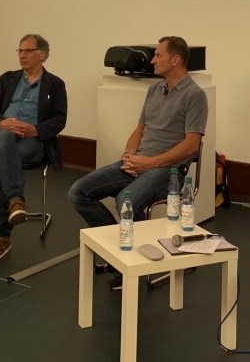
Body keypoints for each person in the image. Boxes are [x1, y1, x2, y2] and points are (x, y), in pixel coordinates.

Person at [68, 36, 207, 289]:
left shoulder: (195, 95)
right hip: (140, 161)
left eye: (158, 55)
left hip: (169, 169)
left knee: (126, 201)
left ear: (175, 60)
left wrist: (149, 163)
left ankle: (134, 263)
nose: (152, 60)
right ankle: (120, 253)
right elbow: (139, 130)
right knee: (78, 192)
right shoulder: (154, 89)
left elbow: (191, 145)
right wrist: (128, 156)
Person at [0, 34, 68, 262]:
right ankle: (15, 201)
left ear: (42, 54)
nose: (22, 55)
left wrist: (35, 129)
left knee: (8, 159)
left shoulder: (55, 84)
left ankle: (2, 236)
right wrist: (2, 123)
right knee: (6, 142)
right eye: (20, 51)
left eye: (28, 51)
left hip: (32, 141)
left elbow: (59, 119)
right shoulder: (7, 79)